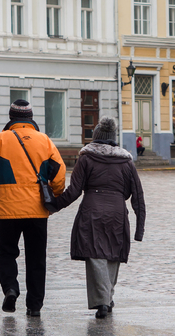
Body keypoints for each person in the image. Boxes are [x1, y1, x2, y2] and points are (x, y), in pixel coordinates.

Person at [0, 99, 66, 317]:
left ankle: (10, 288)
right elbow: (60, 173)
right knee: (37, 258)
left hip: (7, 209)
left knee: (6, 253)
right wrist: (55, 191)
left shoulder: (0, 140)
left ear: (11, 117)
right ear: (31, 118)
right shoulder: (44, 141)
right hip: (37, 210)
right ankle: (34, 305)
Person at [53, 117, 146, 319]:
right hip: (117, 213)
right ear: (113, 139)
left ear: (96, 137)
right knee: (113, 254)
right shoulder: (127, 161)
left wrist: (53, 206)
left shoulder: (86, 158)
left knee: (96, 255)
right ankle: (108, 297)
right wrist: (140, 229)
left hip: (92, 211)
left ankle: (102, 301)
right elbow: (138, 195)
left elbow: (74, 191)